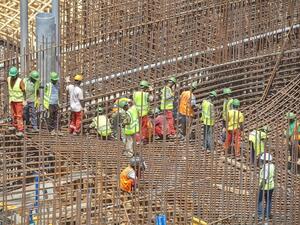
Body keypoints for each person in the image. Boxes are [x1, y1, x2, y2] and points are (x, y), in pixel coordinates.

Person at [7, 66, 25, 137]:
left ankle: (20, 130)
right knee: (13, 114)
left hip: (19, 101)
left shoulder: (20, 81)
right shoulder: (8, 79)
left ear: (17, 74)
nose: (13, 77)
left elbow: (24, 90)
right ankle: (14, 126)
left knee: (19, 116)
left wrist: (24, 100)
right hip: (12, 100)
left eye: (14, 76)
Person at [257, 153, 275, 221]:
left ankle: (260, 215)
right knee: (268, 201)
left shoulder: (265, 168)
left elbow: (264, 179)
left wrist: (260, 187)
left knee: (260, 201)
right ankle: (267, 215)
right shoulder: (272, 166)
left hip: (264, 187)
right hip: (271, 186)